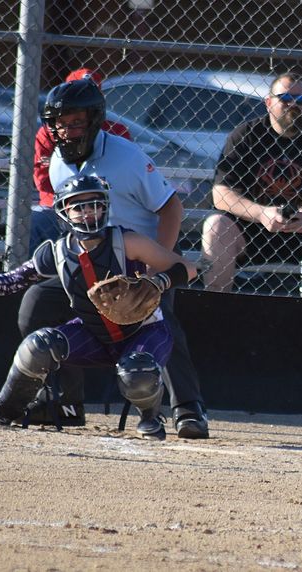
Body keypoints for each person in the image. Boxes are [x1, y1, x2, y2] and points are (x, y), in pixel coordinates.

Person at [20, 77, 211, 439]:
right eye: (59, 123)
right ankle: (66, 402)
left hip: (140, 258)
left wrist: (158, 270)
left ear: (94, 120)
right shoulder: (59, 162)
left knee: (159, 318)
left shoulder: (126, 156)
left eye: (76, 121)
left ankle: (188, 409)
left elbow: (171, 207)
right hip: (91, 263)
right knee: (37, 303)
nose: (67, 130)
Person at [0, 175, 198, 440]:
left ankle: (151, 418)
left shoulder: (126, 241)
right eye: (78, 207)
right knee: (38, 345)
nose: (87, 213)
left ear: (105, 207)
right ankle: (5, 407)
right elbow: (17, 279)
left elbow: (188, 268)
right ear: (64, 212)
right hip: (95, 333)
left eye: (94, 205)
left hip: (144, 332)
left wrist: (158, 282)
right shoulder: (58, 251)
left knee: (136, 371)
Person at [201, 72, 302, 295]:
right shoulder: (246, 135)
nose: (293, 105)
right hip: (253, 229)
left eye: (300, 100)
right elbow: (221, 194)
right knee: (215, 226)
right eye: (285, 99)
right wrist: (261, 213)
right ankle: (214, 308)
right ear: (269, 102)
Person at [30, 67, 132, 253]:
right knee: (35, 221)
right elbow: (45, 185)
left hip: (106, 208)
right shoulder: (49, 133)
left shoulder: (117, 132)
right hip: (60, 206)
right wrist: (70, 208)